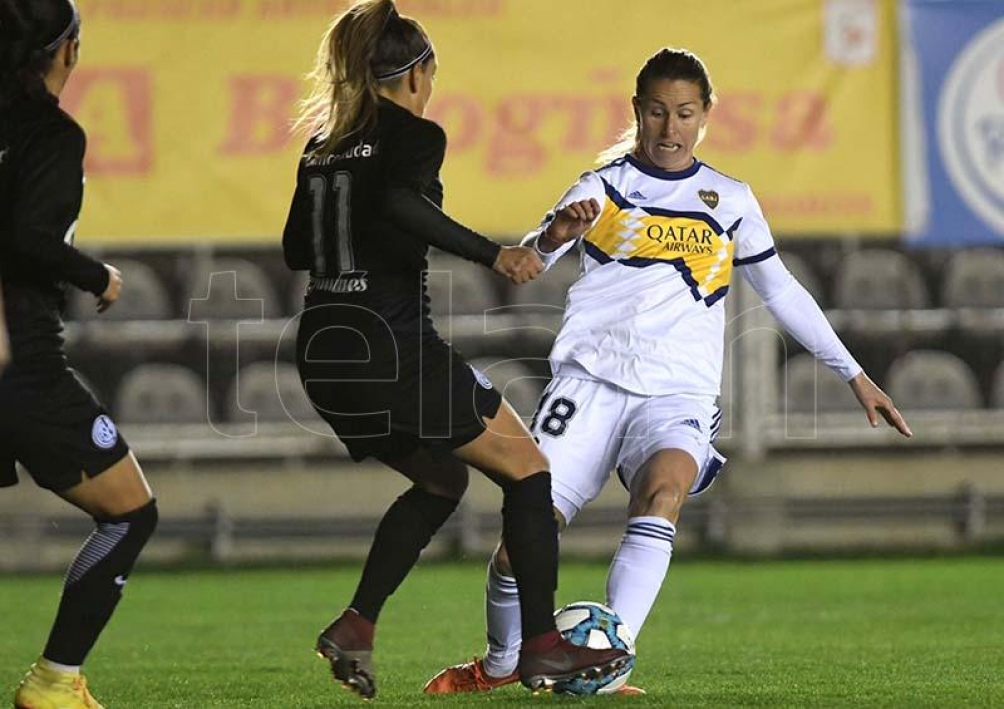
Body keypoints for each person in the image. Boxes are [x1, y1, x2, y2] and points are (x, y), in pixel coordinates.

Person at [424, 47, 913, 696]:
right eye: (657, 111)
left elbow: (782, 290)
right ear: (638, 112)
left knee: (662, 495)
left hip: (675, 392)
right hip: (589, 384)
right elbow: (534, 258)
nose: (670, 126)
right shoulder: (600, 185)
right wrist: (553, 234)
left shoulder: (730, 200)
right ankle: (501, 659)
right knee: (520, 544)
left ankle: (609, 655)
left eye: (684, 112)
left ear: (706, 115)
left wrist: (853, 373)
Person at [281, 0, 630, 699]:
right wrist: (494, 254)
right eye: (432, 74)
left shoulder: (321, 148)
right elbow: (403, 208)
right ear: (417, 74)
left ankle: (356, 624)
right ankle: (541, 647)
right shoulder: (413, 134)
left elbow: (297, 248)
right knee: (529, 470)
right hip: (389, 342)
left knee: (442, 480)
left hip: (324, 346)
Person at [0, 2, 159, 708]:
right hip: (19, 358)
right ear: (66, 51)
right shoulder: (51, 134)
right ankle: (54, 680)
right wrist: (98, 275)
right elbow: (27, 237)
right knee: (130, 511)